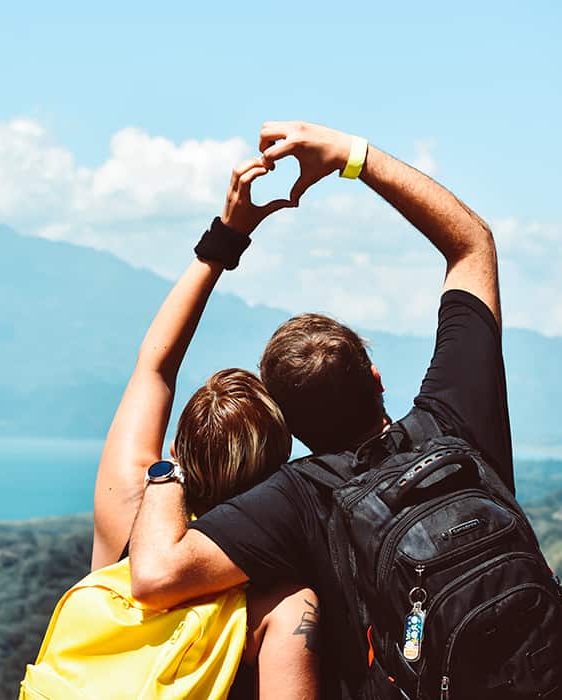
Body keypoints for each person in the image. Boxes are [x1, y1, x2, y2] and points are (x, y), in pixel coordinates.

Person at [126, 121, 522, 698]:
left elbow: (156, 573)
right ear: (376, 378)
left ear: (286, 421)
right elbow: (472, 243)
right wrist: (350, 156)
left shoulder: (298, 499)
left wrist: (171, 470)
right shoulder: (457, 420)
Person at [91, 155, 319, 697]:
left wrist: (228, 237)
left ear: (178, 447)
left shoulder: (127, 506)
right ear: (277, 469)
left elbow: (155, 364)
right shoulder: (280, 598)